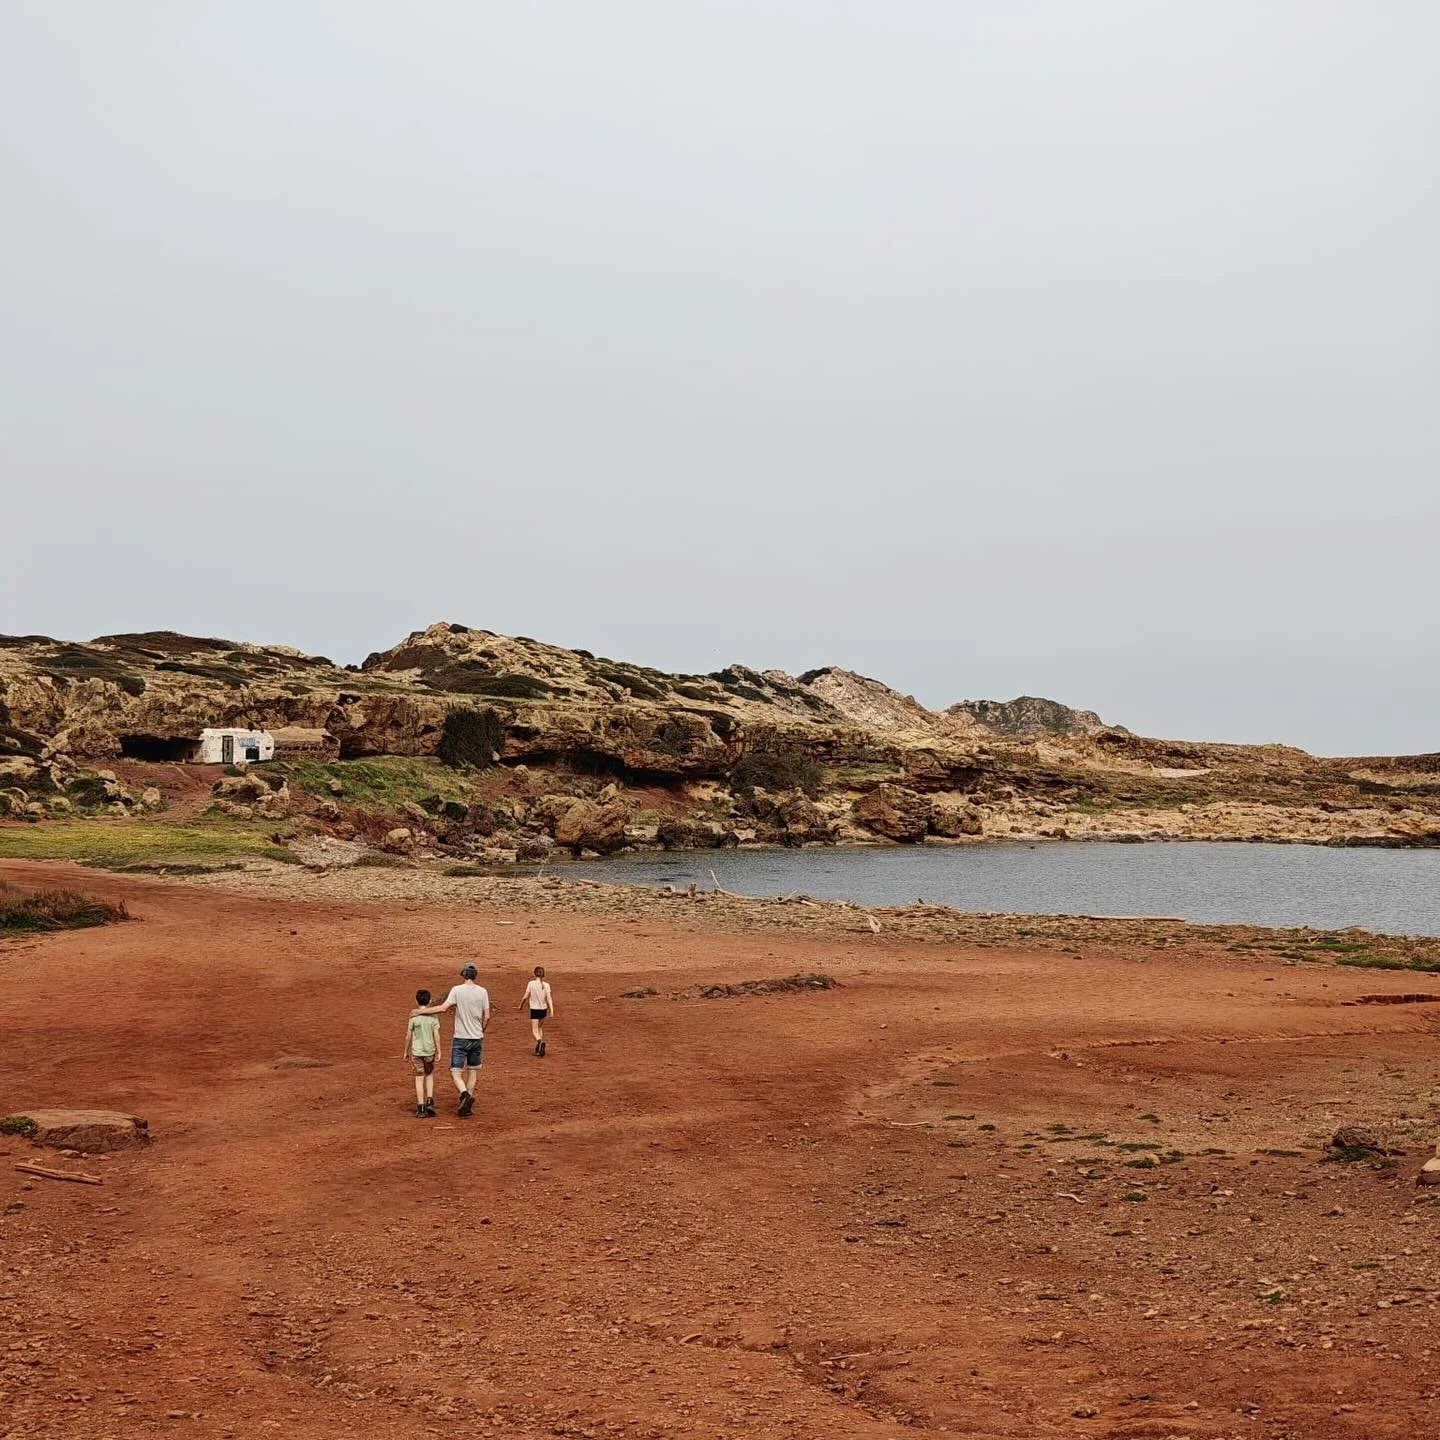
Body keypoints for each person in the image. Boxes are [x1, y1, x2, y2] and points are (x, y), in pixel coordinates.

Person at [414, 964, 491, 1116]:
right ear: (475, 975)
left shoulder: (457, 990)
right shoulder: (483, 991)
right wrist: (481, 1030)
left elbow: (443, 1008)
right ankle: (466, 1106)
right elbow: (487, 1016)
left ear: (463, 974)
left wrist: (421, 1012)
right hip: (477, 1038)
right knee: (473, 1071)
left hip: (461, 1038)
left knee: (456, 1073)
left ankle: (465, 1095)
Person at [403, 989, 440, 1118]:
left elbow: (408, 1036)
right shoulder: (433, 1017)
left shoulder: (414, 1017)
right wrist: (439, 1050)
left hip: (417, 1052)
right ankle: (430, 1100)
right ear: (429, 1001)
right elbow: (436, 1035)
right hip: (429, 1051)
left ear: (416, 1001)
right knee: (429, 1074)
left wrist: (405, 1051)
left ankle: (421, 1107)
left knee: (419, 1078)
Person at [521, 966, 554, 1057]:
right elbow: (549, 999)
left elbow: (525, 997)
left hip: (534, 1009)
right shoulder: (547, 985)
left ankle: (540, 1042)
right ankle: (539, 1047)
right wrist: (552, 1011)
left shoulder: (531, 983)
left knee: (534, 1030)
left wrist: (520, 1005)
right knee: (540, 1028)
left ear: (535, 974)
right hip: (543, 1010)